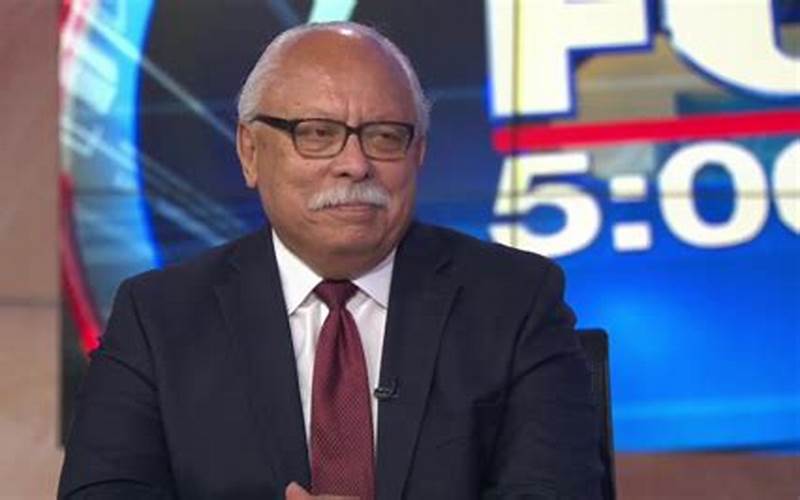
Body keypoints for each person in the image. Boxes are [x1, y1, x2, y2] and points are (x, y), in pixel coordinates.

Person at [59, 21, 603, 499]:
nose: (355, 164)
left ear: (419, 154)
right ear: (250, 151)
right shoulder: (157, 318)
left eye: (385, 136)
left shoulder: (515, 302)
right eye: (317, 134)